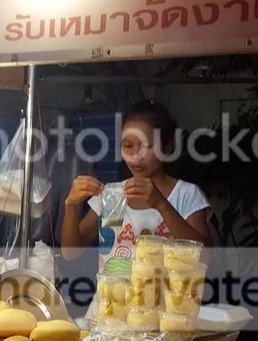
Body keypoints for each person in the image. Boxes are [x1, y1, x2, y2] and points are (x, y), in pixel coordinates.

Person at [60, 99, 212, 263]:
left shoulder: (186, 195)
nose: (135, 155)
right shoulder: (113, 197)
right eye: (128, 145)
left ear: (167, 146)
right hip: (113, 290)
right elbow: (71, 253)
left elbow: (205, 259)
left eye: (146, 147)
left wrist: (161, 205)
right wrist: (71, 205)